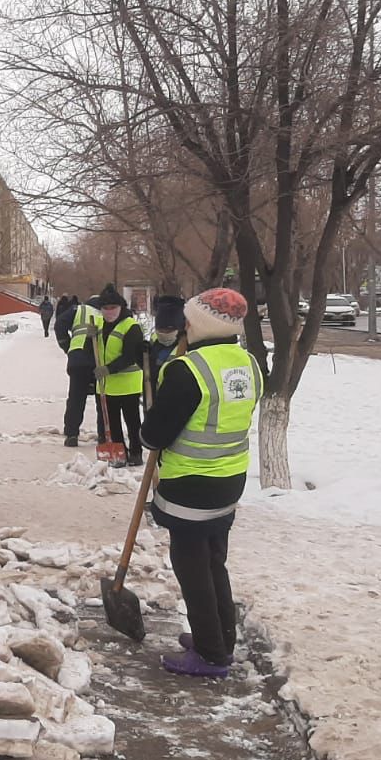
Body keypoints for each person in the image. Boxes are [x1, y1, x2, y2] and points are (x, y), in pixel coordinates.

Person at [140, 287, 264, 680]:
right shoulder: (248, 363)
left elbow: (153, 435)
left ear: (203, 325)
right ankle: (220, 639)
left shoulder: (186, 370)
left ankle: (211, 655)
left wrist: (152, 423)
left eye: (189, 321)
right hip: (229, 480)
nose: (183, 327)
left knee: (192, 569)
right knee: (214, 563)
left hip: (190, 485)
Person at [97, 285, 146, 465]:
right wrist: (90, 339)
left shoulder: (131, 327)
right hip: (106, 385)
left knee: (132, 422)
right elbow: (95, 352)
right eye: (105, 308)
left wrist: (108, 369)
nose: (109, 312)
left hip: (128, 385)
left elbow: (130, 356)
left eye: (113, 308)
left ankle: (136, 452)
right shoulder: (99, 326)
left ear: (121, 308)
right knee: (112, 423)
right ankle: (119, 453)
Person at [61, 294, 106, 447]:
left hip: (78, 358)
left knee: (76, 398)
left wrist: (67, 346)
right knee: (102, 398)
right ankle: (104, 436)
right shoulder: (108, 312)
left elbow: (59, 324)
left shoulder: (78, 310)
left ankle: (71, 434)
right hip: (100, 360)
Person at [149, 294, 187, 376]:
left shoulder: (187, 346)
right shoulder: (155, 340)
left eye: (169, 330)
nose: (164, 333)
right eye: (160, 329)